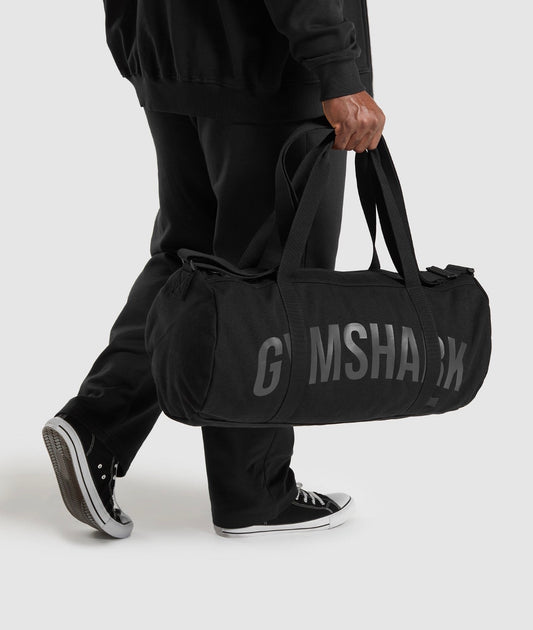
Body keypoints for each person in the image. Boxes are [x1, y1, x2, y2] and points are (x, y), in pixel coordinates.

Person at [42, 0, 385, 538]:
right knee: (271, 282)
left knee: (187, 261)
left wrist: (138, 43)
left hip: (171, 50)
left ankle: (96, 426)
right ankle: (255, 493)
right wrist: (336, 65)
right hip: (268, 63)